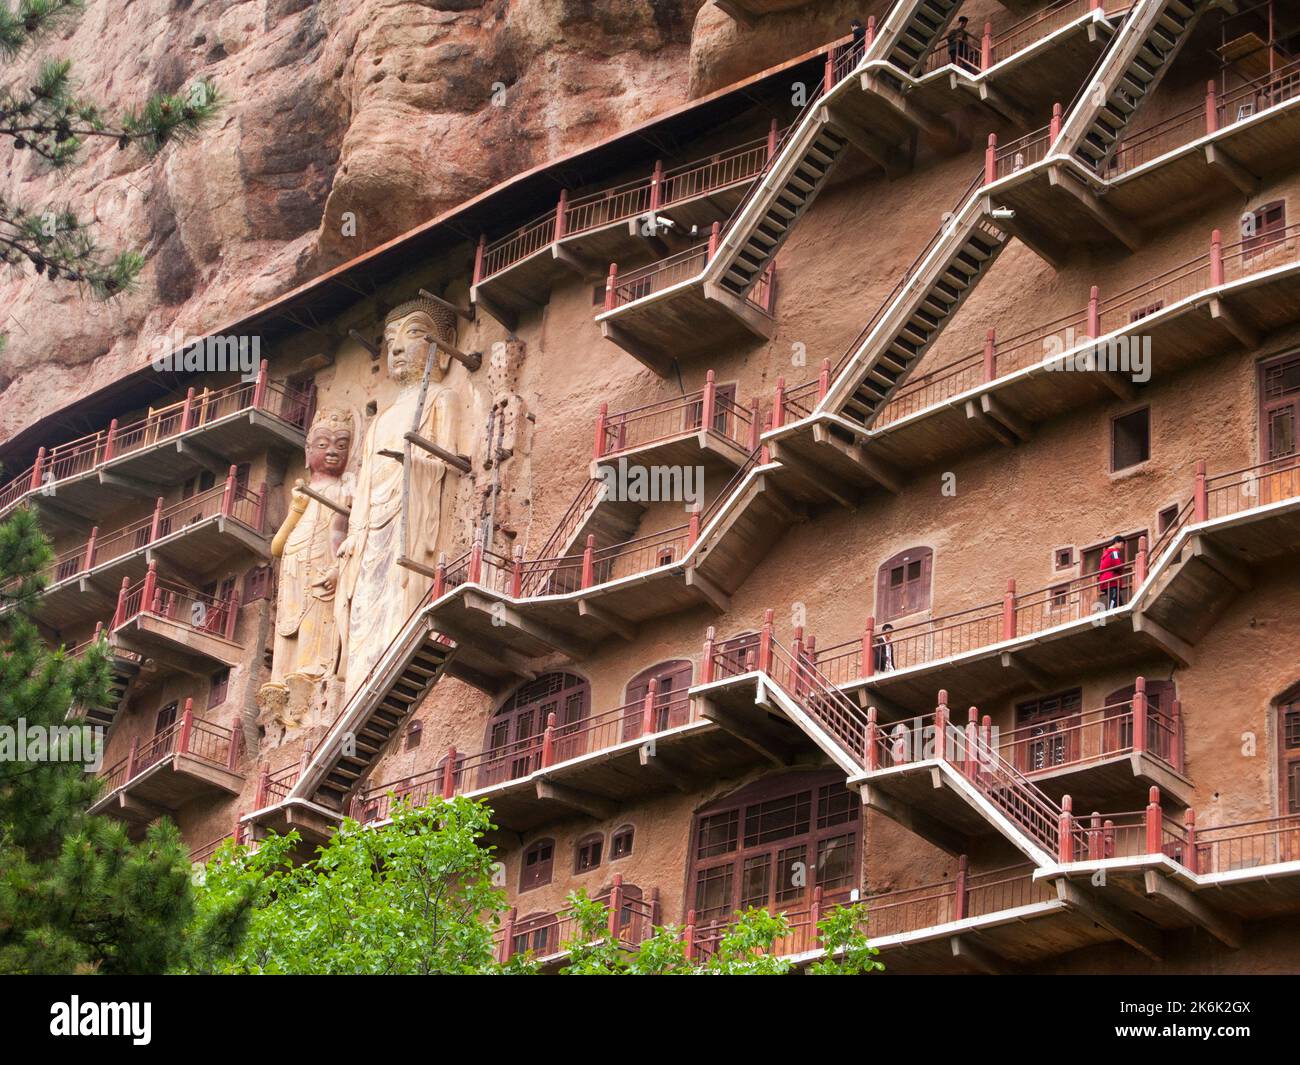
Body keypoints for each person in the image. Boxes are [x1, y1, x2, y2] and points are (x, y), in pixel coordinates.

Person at [1098, 535, 1127, 609]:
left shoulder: (1106, 553)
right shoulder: (1114, 552)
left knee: (1117, 599)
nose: (1122, 547)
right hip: (1112, 580)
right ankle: (1111, 612)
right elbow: (1118, 564)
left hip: (1105, 580)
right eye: (1122, 544)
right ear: (1116, 542)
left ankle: (1119, 612)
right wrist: (1122, 568)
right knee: (1114, 599)